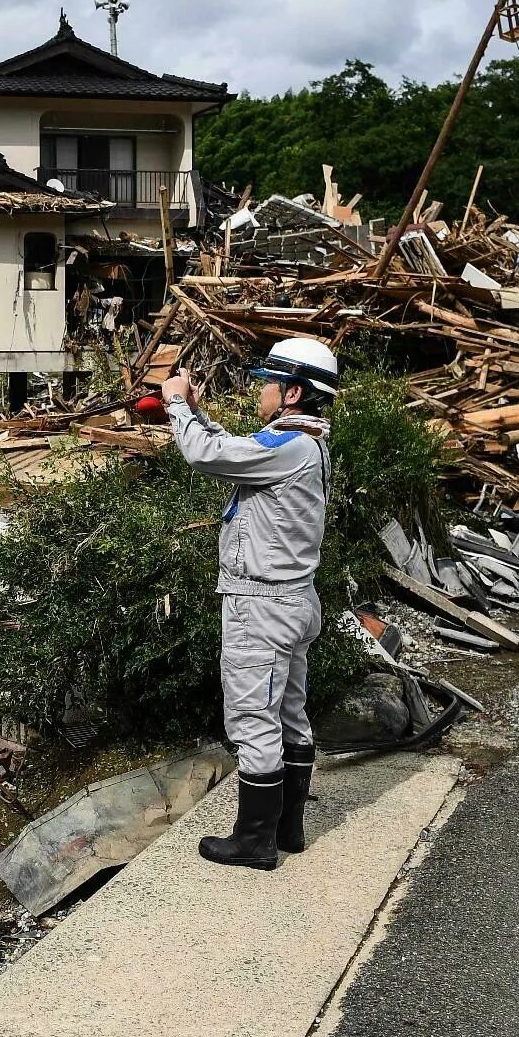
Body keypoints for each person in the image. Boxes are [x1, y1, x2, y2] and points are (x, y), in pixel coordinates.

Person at [160, 337, 338, 871]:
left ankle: (254, 840)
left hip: (261, 606)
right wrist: (196, 412)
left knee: (252, 719)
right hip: (293, 601)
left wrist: (173, 404)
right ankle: (287, 830)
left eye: (268, 381)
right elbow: (234, 447)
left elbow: (205, 454)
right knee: (288, 714)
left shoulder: (290, 447)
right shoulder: (299, 442)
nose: (260, 389)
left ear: (293, 392)